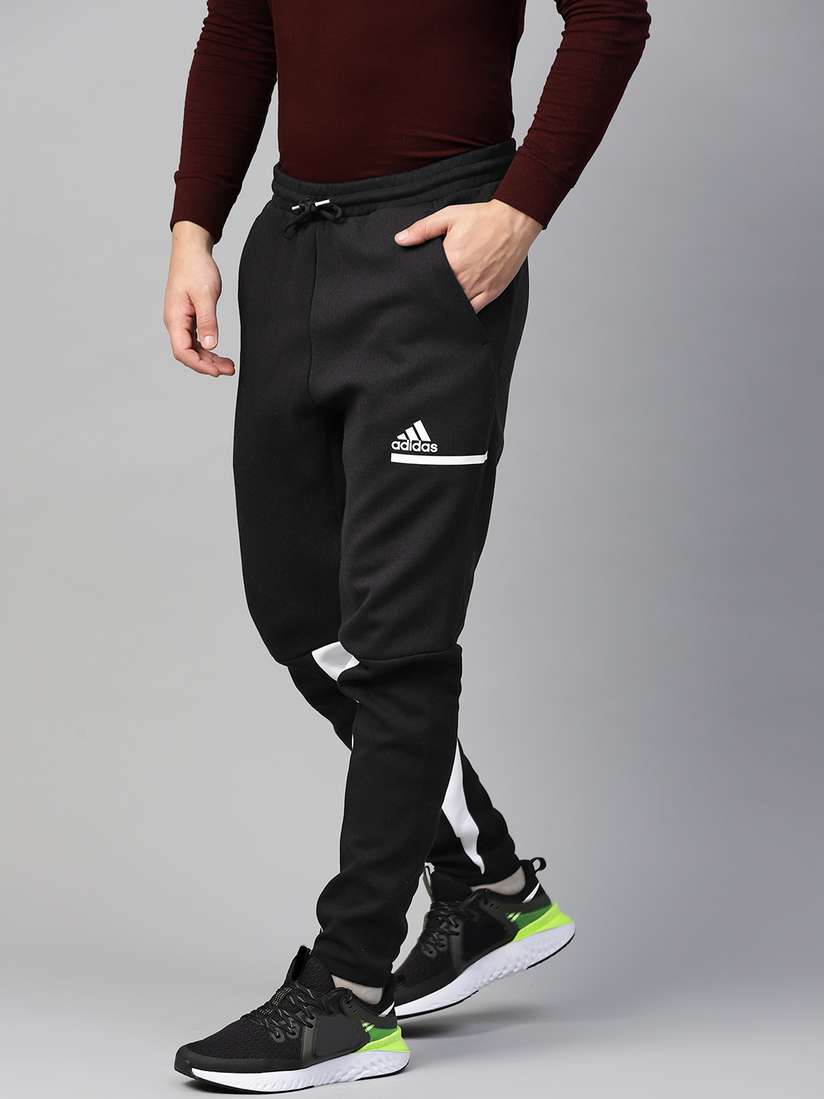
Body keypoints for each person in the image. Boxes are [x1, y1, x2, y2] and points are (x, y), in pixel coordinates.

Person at [165, 1, 650, 1090]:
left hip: (434, 250)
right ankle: (489, 889)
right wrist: (194, 227)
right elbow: (241, 28)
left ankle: (347, 994)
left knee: (398, 635)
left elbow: (610, 16)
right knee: (303, 619)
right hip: (292, 247)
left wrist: (519, 209)